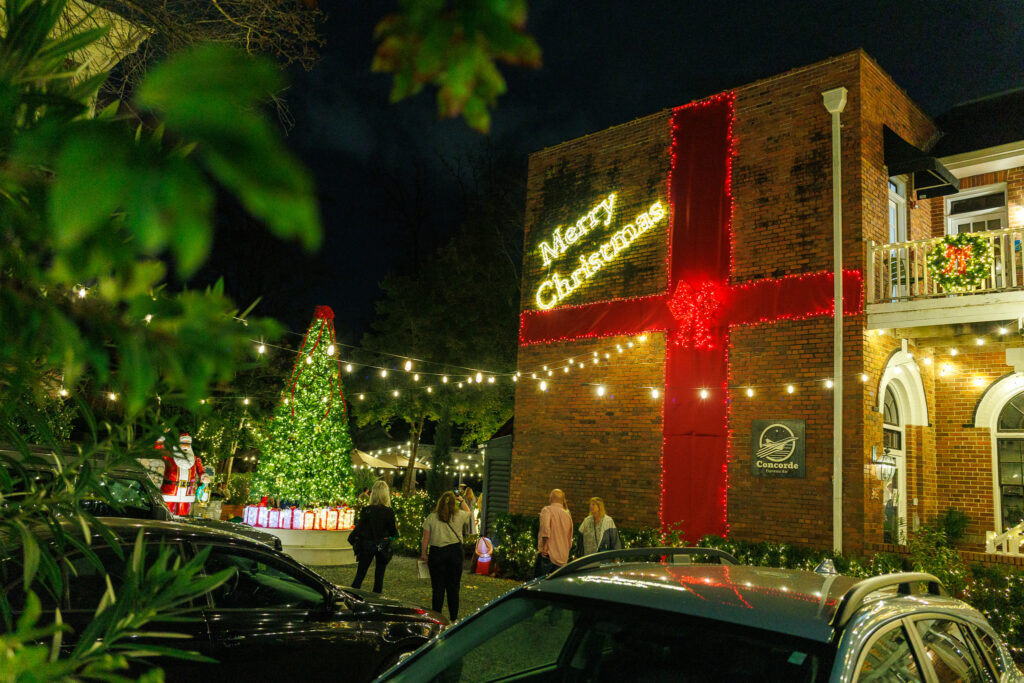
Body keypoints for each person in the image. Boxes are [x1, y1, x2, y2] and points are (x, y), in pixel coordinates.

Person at [420, 490, 471, 621]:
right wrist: (462, 500)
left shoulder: (431, 517)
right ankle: (453, 618)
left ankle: (437, 618)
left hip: (437, 553)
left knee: (437, 588)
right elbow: (469, 512)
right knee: (453, 587)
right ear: (454, 503)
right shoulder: (459, 515)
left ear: (440, 502)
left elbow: (425, 539)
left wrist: (423, 553)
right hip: (455, 552)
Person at [350, 480, 398, 593]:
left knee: (359, 576)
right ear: (386, 494)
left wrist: (354, 540)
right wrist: (390, 538)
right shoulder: (389, 512)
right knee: (379, 578)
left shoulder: (367, 510)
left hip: (367, 544)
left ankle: (352, 598)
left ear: (374, 493)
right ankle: (377, 601)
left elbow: (359, 528)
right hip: (382, 546)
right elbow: (394, 533)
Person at [536, 489, 573, 577]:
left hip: (549, 556)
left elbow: (546, 530)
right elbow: (569, 539)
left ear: (551, 498)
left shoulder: (547, 510)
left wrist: (544, 548)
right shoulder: (568, 516)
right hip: (563, 558)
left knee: (541, 586)